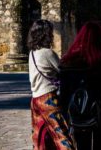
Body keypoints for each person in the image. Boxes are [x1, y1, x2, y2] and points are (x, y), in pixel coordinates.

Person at [59, 22, 101, 150]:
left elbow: (64, 96)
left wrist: (64, 120)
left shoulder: (68, 63)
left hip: (79, 114)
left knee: (82, 147)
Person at [27, 19, 73, 150]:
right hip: (48, 99)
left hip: (35, 99)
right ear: (46, 34)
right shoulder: (48, 53)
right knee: (61, 135)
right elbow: (63, 70)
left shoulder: (32, 53)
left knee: (40, 136)